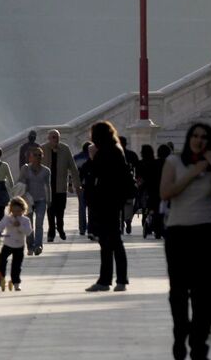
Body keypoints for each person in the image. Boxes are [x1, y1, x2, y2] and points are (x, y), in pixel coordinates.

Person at [161, 121, 211, 360]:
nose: (199, 140)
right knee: (179, 289)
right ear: (189, 138)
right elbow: (166, 193)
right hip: (179, 232)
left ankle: (199, 337)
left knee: (208, 291)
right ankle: (180, 332)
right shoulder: (173, 162)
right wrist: (193, 172)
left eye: (204, 137)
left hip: (209, 231)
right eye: (195, 136)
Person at [85, 121, 135, 292]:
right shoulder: (116, 148)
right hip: (113, 200)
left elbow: (98, 174)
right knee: (109, 241)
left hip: (106, 201)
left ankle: (113, 279)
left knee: (110, 240)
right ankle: (110, 279)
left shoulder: (106, 151)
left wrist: (93, 158)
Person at [42, 130, 78, 242]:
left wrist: (76, 184)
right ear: (49, 138)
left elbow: (72, 167)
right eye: (53, 137)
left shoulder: (65, 149)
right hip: (47, 187)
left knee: (61, 210)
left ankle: (61, 228)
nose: (55, 139)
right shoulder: (42, 149)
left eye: (57, 137)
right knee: (50, 210)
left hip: (61, 186)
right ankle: (51, 232)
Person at [0, 197, 34, 291]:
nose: (16, 213)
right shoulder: (7, 218)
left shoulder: (25, 220)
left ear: (23, 210)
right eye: (14, 211)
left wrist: (19, 226)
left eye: (19, 211)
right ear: (11, 210)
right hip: (8, 244)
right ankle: (0, 277)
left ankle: (16, 282)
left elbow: (28, 232)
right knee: (1, 260)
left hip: (19, 245)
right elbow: (0, 225)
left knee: (16, 265)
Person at [21, 146, 52, 253]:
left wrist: (49, 200)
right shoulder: (25, 169)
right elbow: (20, 182)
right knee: (29, 224)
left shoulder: (46, 171)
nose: (38, 157)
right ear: (31, 157)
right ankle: (30, 246)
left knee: (39, 224)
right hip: (28, 200)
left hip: (41, 199)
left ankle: (38, 245)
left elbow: (48, 186)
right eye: (35, 155)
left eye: (40, 155)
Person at [75, 140, 94, 238]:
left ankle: (82, 228)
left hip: (80, 185)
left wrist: (72, 184)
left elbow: (73, 172)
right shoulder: (92, 158)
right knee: (91, 207)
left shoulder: (77, 158)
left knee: (82, 207)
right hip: (90, 186)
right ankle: (91, 227)